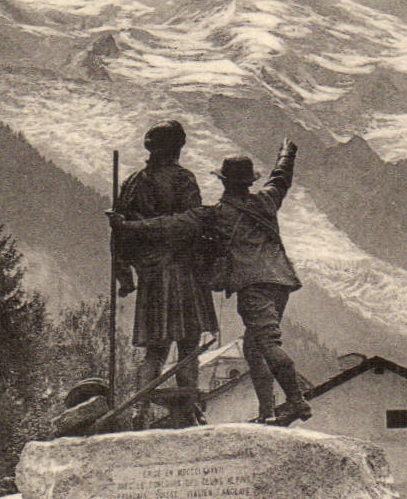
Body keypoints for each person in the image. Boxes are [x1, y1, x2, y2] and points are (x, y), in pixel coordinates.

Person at [113, 139, 309, 424]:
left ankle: (296, 401)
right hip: (281, 282)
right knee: (254, 347)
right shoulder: (267, 199)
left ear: (224, 181)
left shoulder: (214, 215)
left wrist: (129, 226)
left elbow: (172, 224)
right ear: (249, 181)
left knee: (266, 342)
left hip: (252, 285)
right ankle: (267, 412)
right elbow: (281, 177)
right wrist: (287, 151)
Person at [113, 120, 217, 426]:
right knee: (187, 346)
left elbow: (119, 233)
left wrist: (125, 276)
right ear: (175, 148)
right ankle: (185, 409)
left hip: (152, 277)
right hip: (183, 274)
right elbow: (193, 222)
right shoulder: (183, 180)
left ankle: (140, 409)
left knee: (154, 351)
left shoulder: (132, 183)